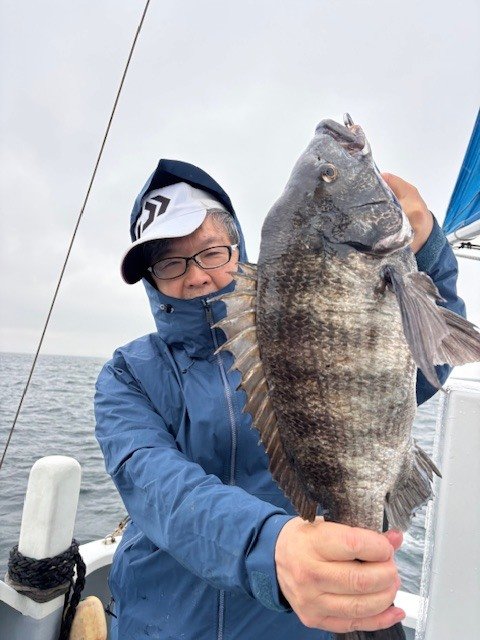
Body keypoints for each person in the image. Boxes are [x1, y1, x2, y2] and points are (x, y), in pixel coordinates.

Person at [95, 159, 465, 640]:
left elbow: (429, 363)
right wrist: (269, 549)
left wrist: (429, 251)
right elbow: (155, 484)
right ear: (152, 279)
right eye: (170, 263)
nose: (196, 276)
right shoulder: (127, 374)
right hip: (162, 624)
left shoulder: (312, 331)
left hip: (298, 624)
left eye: (211, 252)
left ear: (238, 248)